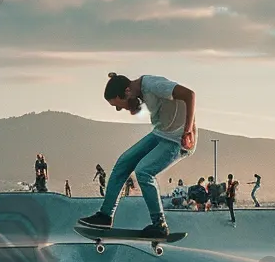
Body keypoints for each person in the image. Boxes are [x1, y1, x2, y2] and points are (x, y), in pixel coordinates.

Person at [77, 72, 196, 237]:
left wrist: (188, 131)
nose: (120, 109)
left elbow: (189, 95)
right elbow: (147, 101)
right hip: (160, 134)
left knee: (144, 171)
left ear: (126, 92)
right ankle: (105, 216)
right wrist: (135, 104)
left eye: (118, 105)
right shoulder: (138, 91)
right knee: (123, 163)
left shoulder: (155, 85)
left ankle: (159, 224)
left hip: (178, 140)